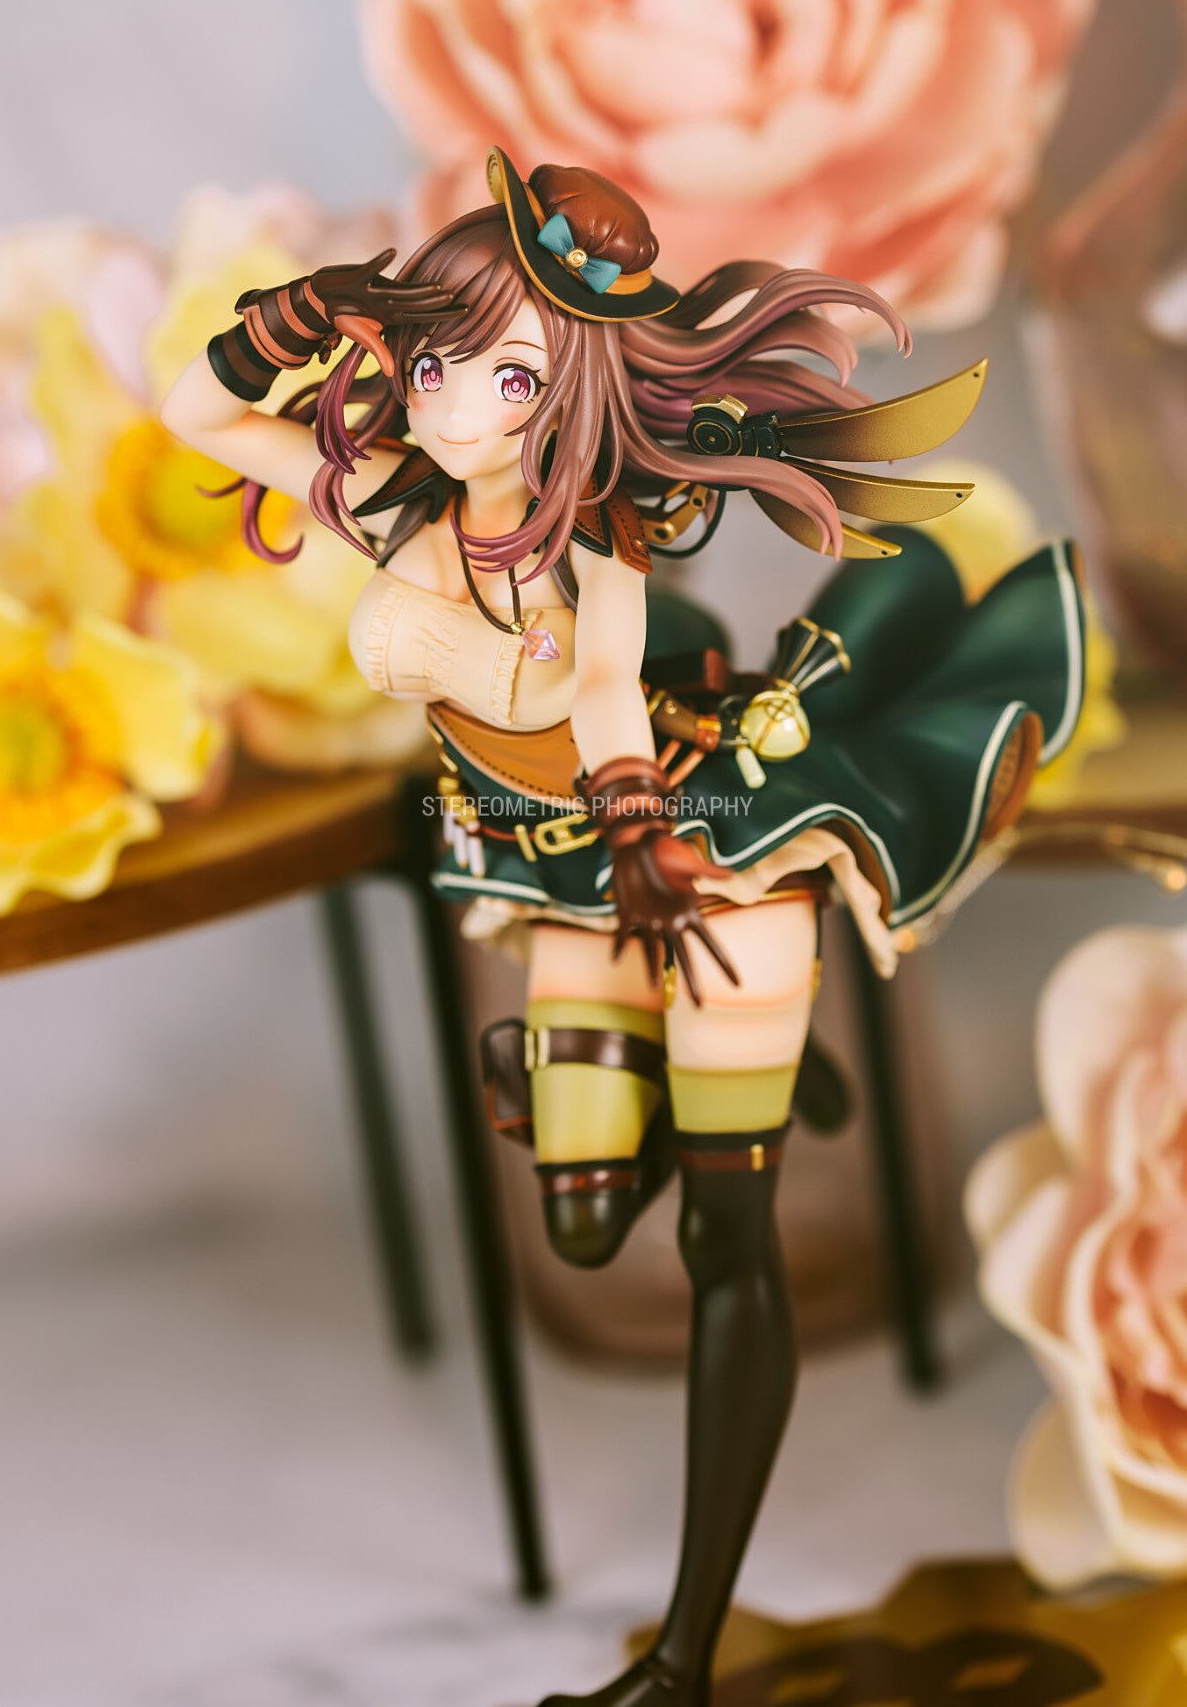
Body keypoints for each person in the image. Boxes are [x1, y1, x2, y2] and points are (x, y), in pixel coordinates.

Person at [161, 147, 1085, 1707]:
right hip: (560, 875)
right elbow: (194, 412)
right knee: (585, 1224)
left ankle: (683, 1653)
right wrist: (306, 314)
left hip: (698, 862)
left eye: (509, 377)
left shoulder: (595, 549)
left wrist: (646, 837)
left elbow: (602, 696)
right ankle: (743, 1076)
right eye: (439, 361)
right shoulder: (392, 504)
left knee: (727, 1239)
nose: (456, 405)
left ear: (571, 396)